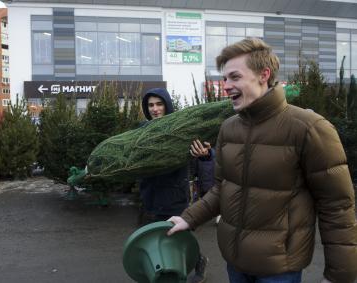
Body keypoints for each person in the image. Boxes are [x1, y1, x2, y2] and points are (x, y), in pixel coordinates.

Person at [167, 38, 357, 283]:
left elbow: (337, 206)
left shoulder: (308, 128)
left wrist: (340, 275)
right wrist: (189, 218)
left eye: (234, 77)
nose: (226, 86)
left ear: (263, 74)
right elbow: (222, 188)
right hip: (235, 263)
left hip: (279, 269)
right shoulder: (228, 129)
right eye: (225, 78)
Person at [139, 87, 212, 283]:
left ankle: (199, 261)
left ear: (167, 105)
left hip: (174, 194)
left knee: (179, 233)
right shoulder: (141, 130)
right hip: (150, 192)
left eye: (159, 104)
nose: (155, 109)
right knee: (155, 235)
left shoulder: (182, 129)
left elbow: (204, 152)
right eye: (151, 105)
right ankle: (163, 269)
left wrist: (205, 154)